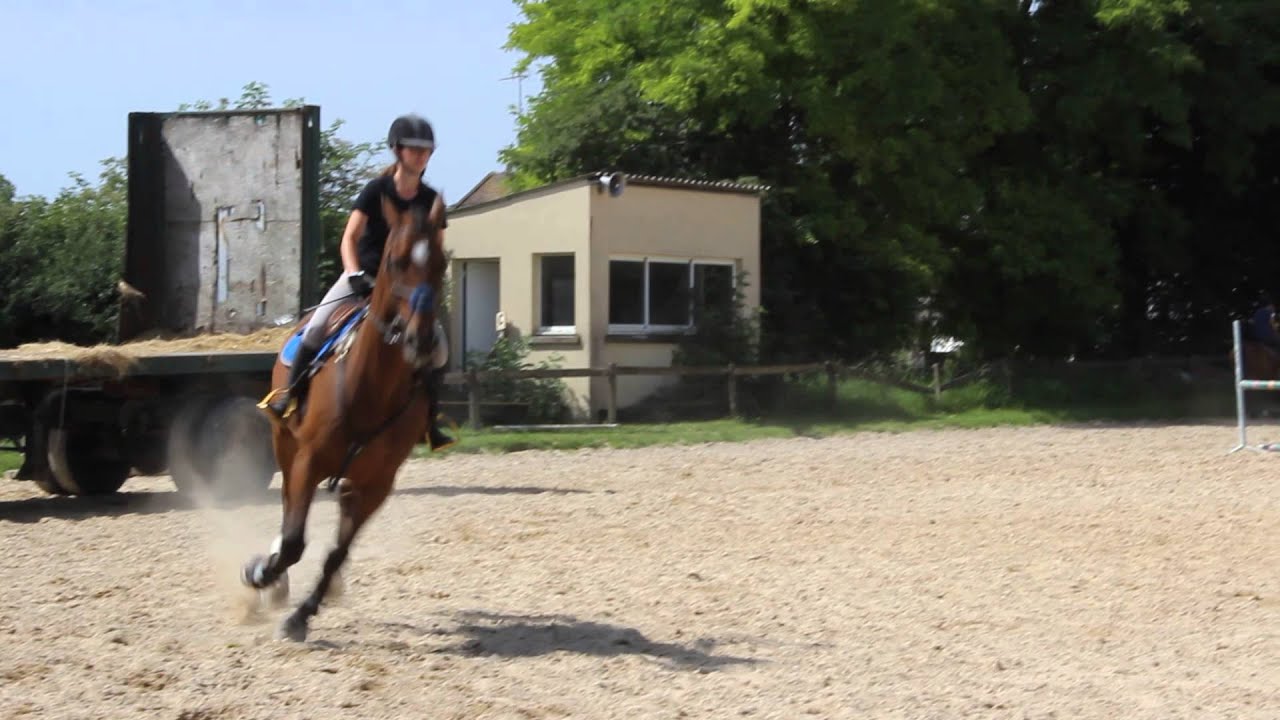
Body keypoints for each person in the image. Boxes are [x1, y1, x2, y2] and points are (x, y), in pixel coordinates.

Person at [264, 113, 456, 451]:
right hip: (362, 278)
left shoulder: (430, 200)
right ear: (397, 151)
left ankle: (431, 419)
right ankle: (288, 397)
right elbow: (349, 238)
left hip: (405, 290)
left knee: (438, 348)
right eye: (414, 149)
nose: (421, 156)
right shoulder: (375, 191)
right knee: (315, 327)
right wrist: (352, 273)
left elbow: (435, 250)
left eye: (426, 151)